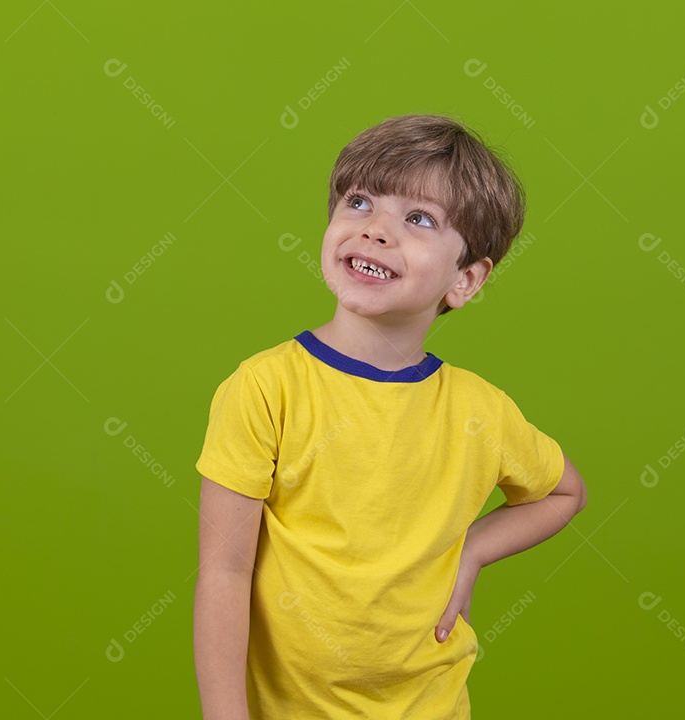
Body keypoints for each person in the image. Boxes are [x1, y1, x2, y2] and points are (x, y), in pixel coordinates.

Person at [193, 114, 588, 719]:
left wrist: (474, 549)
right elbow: (223, 570)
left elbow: (564, 492)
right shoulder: (265, 388)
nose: (375, 229)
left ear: (465, 279)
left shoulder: (479, 409)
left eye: (419, 219)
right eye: (359, 202)